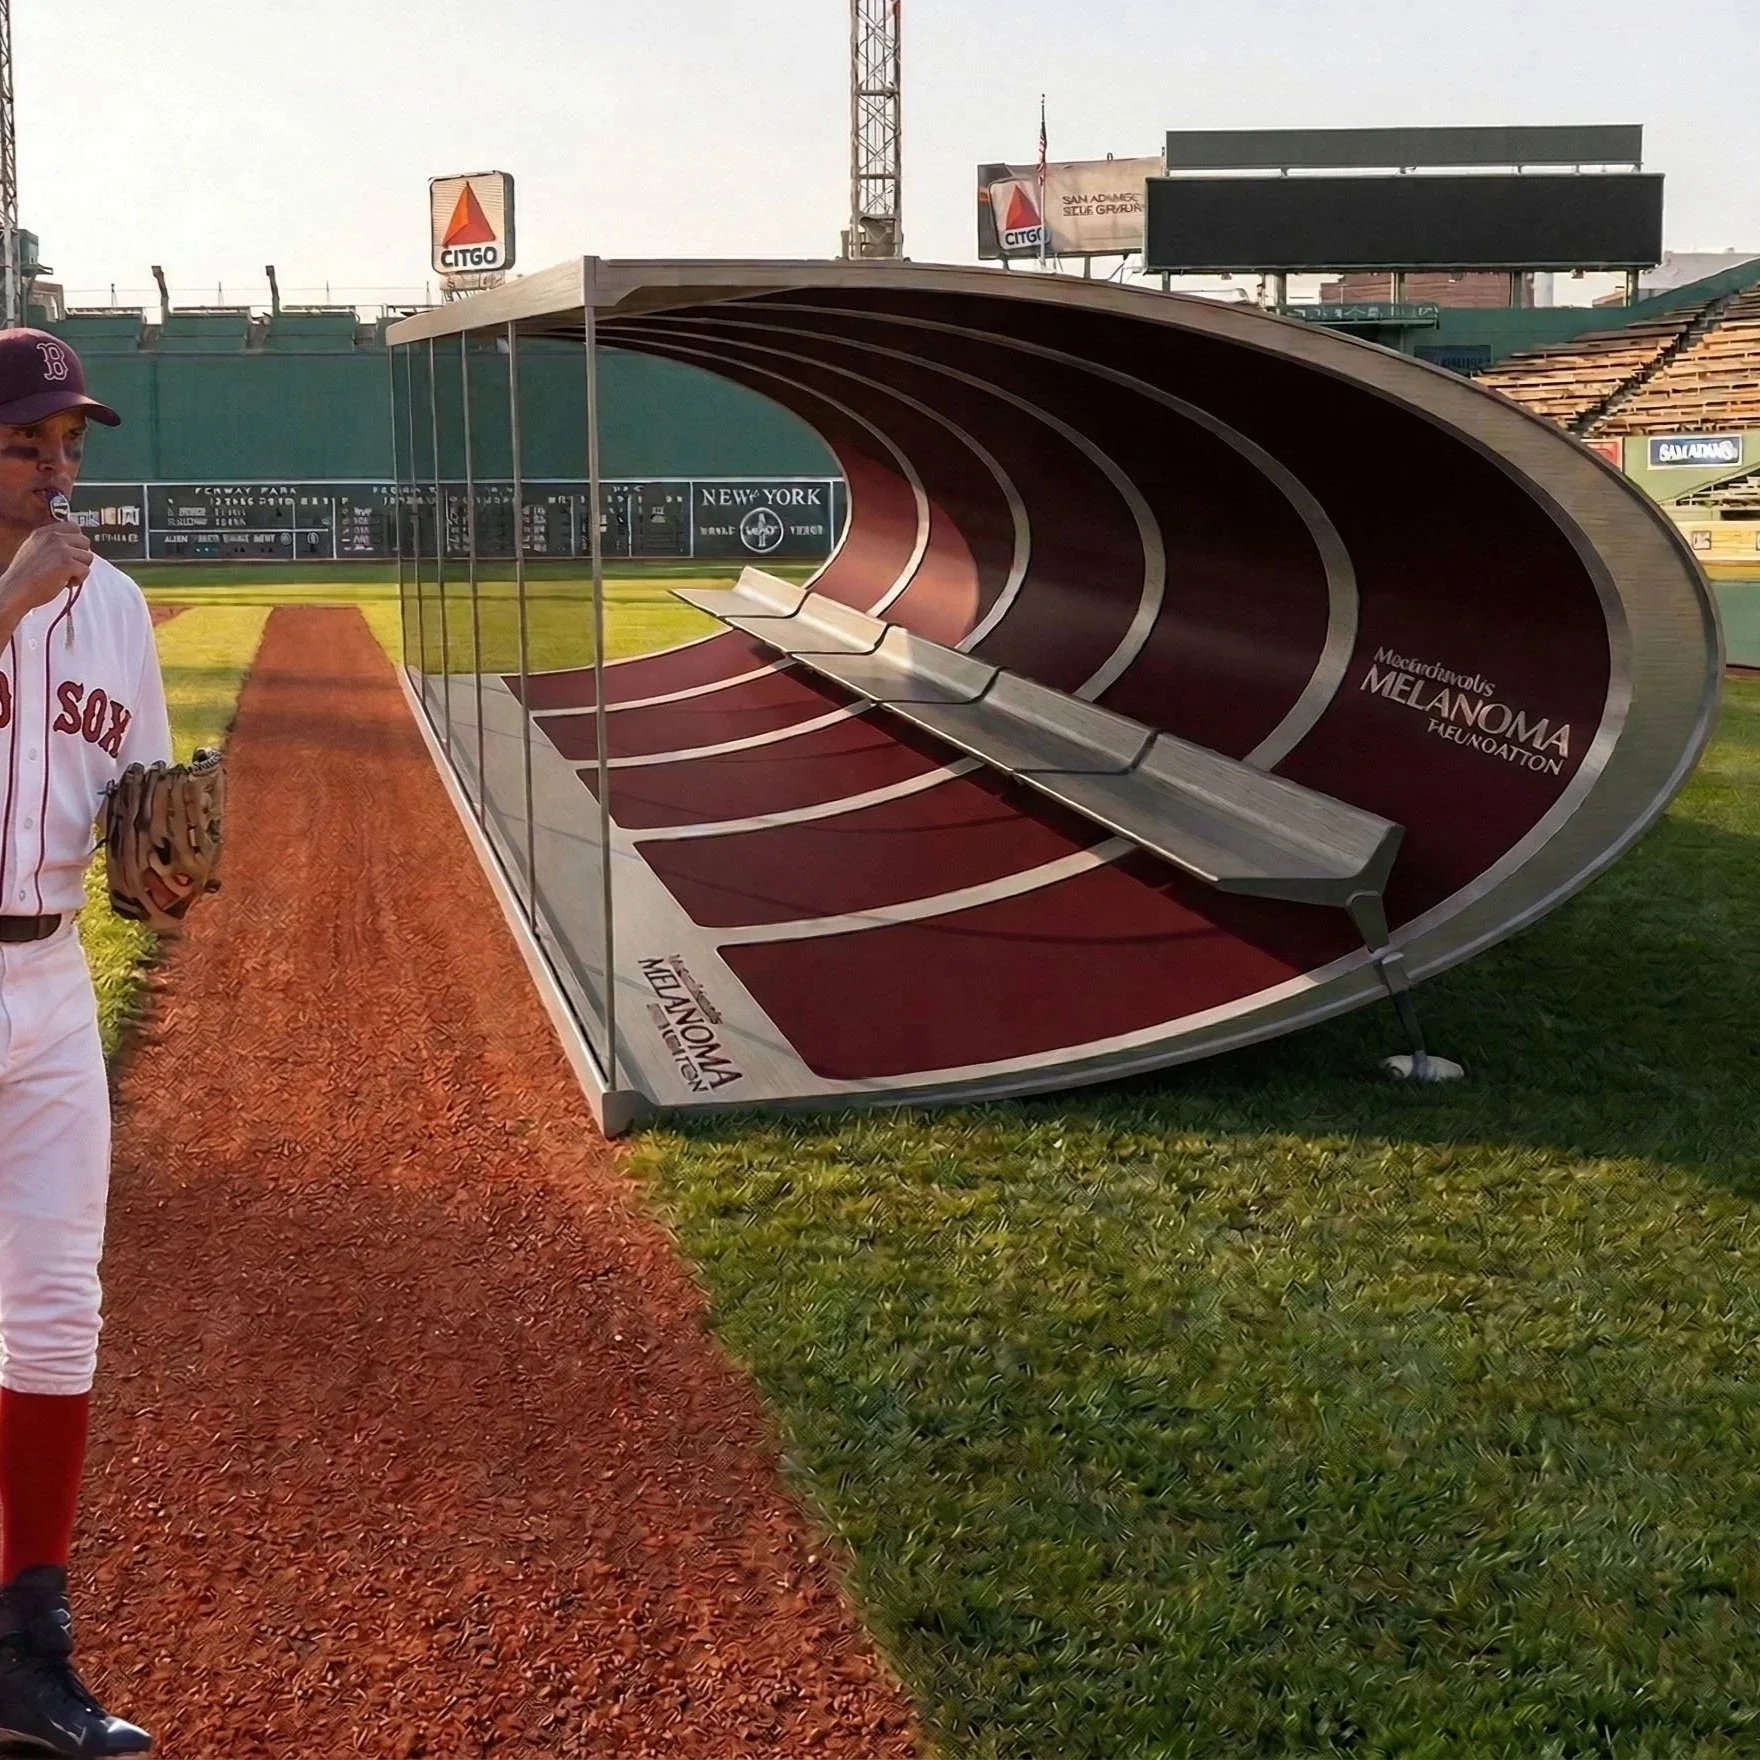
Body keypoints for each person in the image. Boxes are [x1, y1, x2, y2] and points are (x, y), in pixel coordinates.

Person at [0, 327, 167, 1755]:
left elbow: (143, 800)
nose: (59, 471)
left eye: (70, 446)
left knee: (56, 1306)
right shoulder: (29, 587)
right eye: (26, 446)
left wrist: (157, 858)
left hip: (49, 976)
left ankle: (28, 1650)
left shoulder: (116, 606)